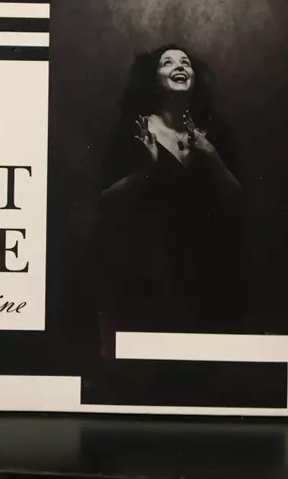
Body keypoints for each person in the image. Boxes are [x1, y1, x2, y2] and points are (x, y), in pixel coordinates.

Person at [90, 44, 244, 352]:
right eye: (168, 63)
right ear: (154, 78)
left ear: (194, 78)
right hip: (148, 272)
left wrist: (212, 155)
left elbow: (238, 197)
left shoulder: (214, 132)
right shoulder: (136, 130)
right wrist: (147, 169)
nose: (179, 66)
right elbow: (105, 199)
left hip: (205, 269)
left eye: (185, 62)